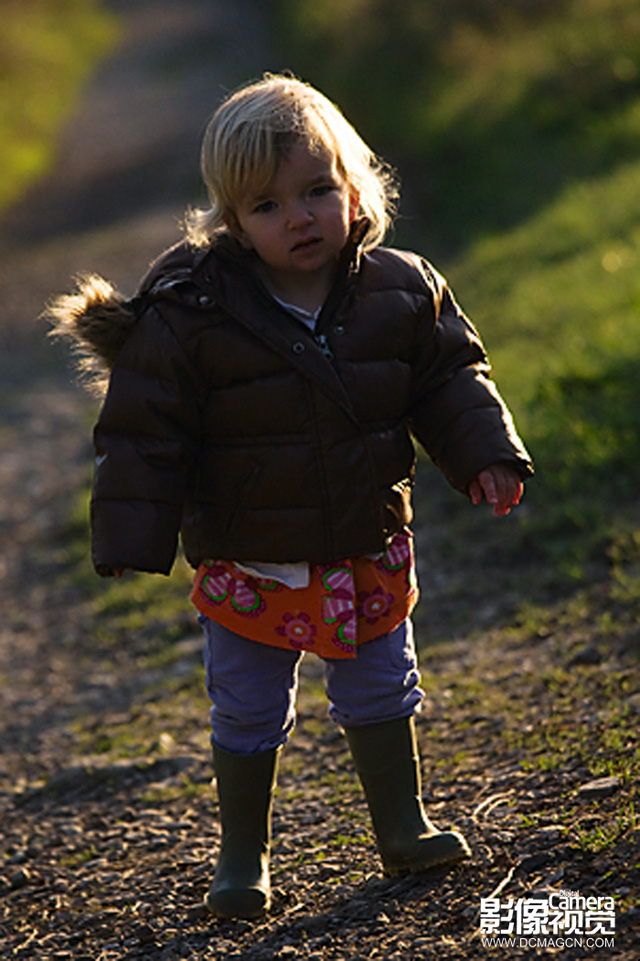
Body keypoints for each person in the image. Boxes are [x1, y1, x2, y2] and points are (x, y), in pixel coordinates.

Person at [47, 73, 533, 921]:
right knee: (246, 702)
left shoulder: (401, 290)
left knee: (383, 684)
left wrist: (485, 454)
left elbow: (452, 380)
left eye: (316, 190)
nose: (298, 217)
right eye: (267, 206)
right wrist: (130, 530)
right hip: (251, 556)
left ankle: (401, 822)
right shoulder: (191, 316)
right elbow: (144, 431)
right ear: (231, 223)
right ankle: (244, 855)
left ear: (354, 185)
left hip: (364, 540)